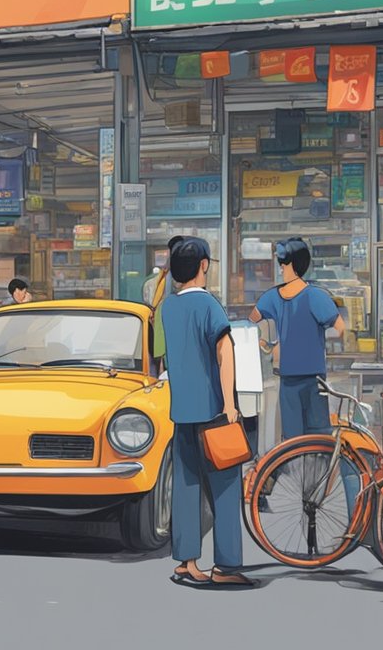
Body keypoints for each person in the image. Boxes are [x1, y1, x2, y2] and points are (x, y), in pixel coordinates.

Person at [160, 237, 256, 590]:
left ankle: (187, 562)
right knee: (226, 487)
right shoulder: (208, 305)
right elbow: (224, 353)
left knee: (185, 488)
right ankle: (226, 564)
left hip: (181, 411)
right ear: (203, 265)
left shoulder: (169, 308)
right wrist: (230, 404)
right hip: (213, 412)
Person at [249, 237, 347, 439]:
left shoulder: (272, 297)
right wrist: (315, 340)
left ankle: (298, 471)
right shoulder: (316, 296)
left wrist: (268, 345)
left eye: (282, 264)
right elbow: (340, 329)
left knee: (293, 440)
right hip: (313, 377)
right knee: (319, 437)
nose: (280, 268)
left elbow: (251, 323)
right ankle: (319, 472)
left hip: (293, 378)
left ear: (290, 264)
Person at [150, 236, 186, 373]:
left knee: (164, 353)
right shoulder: (171, 274)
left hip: (164, 314)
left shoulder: (167, 273)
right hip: (167, 315)